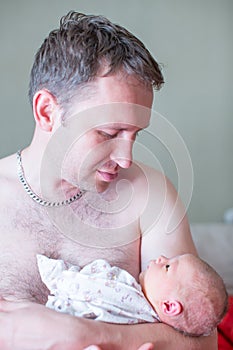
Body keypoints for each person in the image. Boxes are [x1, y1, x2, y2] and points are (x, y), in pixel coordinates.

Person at [0, 10, 218, 349]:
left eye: (135, 135)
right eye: (109, 132)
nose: (126, 158)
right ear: (46, 112)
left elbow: (201, 343)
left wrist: (81, 336)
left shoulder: (151, 196)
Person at [37, 253, 228, 337]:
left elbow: (79, 285)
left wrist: (53, 270)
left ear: (169, 306)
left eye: (168, 266)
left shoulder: (125, 292)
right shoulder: (147, 327)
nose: (162, 257)